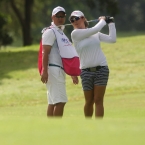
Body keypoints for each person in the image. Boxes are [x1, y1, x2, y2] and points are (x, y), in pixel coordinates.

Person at [69, 10, 116, 118]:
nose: (74, 21)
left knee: (98, 100)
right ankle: (88, 126)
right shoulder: (75, 34)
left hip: (102, 69)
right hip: (85, 71)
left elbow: (112, 39)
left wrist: (111, 23)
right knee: (89, 101)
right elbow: (96, 28)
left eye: (76, 18)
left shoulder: (95, 33)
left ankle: (99, 128)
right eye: (72, 20)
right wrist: (103, 20)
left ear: (83, 18)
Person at [41, 6, 77, 117]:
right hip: (53, 69)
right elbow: (45, 52)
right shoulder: (50, 32)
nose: (60, 18)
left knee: (52, 102)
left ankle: (50, 130)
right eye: (58, 16)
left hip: (58, 70)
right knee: (60, 101)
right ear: (53, 17)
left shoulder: (60, 32)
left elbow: (66, 53)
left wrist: (72, 73)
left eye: (62, 16)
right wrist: (45, 71)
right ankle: (57, 129)